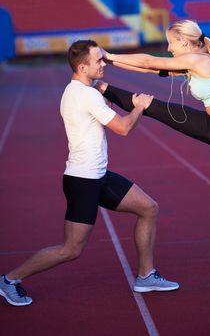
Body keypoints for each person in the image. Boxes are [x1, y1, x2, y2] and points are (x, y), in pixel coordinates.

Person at [0, 40, 179, 307]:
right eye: (98, 60)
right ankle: (9, 280)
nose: (103, 63)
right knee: (71, 250)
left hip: (98, 176)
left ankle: (146, 275)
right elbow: (122, 128)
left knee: (148, 208)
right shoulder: (86, 95)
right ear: (83, 67)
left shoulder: (79, 90)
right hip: (83, 181)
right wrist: (140, 106)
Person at [96, 19, 210, 290]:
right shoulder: (192, 60)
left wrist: (110, 54)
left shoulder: (199, 60)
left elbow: (149, 62)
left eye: (171, 42)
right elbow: (150, 70)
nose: (169, 48)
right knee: (153, 107)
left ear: (184, 41)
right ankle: (102, 89)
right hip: (209, 125)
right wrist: (108, 64)